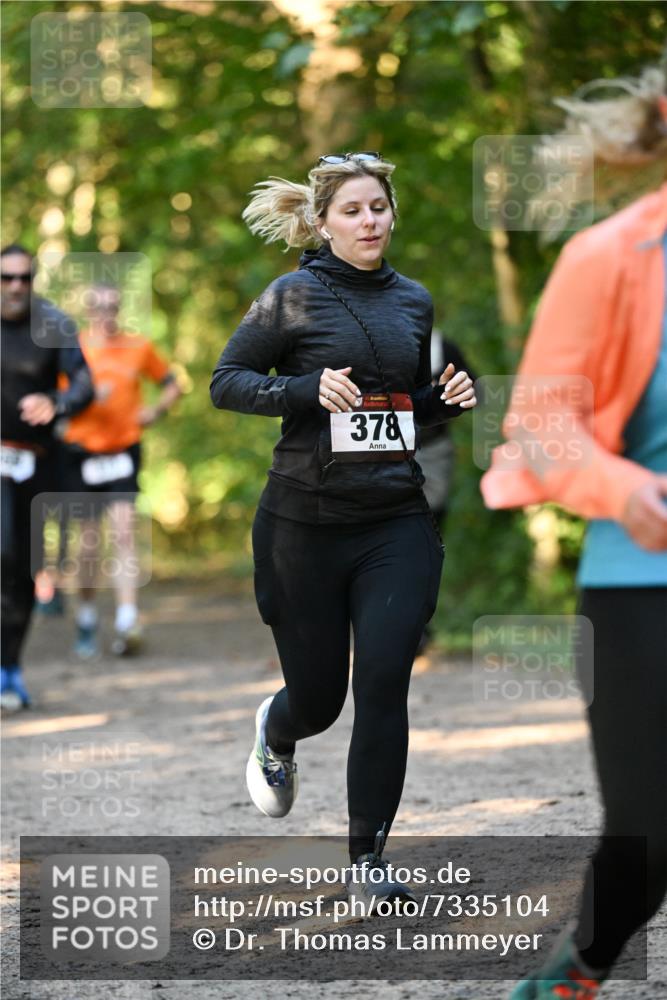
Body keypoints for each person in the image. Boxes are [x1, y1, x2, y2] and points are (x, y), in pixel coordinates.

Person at [210, 152, 477, 910]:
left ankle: (366, 862)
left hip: (393, 516)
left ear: (393, 214)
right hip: (302, 524)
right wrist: (302, 388)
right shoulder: (290, 296)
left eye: (378, 208)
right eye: (352, 210)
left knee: (385, 679)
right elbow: (225, 382)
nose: (369, 221)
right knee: (321, 700)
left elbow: (392, 415)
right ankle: (279, 725)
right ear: (322, 222)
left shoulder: (413, 302)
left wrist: (440, 402)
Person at [480, 66, 667, 998]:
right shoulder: (609, 256)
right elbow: (543, 422)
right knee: (650, 827)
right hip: (643, 575)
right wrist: (624, 489)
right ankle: (574, 974)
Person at [59, 282, 181, 659]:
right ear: (88, 310)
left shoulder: (138, 346)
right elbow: (54, 400)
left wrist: (155, 411)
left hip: (123, 449)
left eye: (112, 307)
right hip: (82, 453)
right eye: (99, 307)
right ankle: (87, 614)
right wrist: (80, 401)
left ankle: (128, 619)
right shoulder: (72, 349)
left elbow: (173, 383)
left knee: (125, 532)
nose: (106, 314)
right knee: (90, 545)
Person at [1, 244, 93, 710]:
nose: (16, 286)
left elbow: (83, 383)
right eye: (7, 278)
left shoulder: (52, 323)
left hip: (32, 465)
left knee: (19, 566)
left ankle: (9, 669)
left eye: (24, 278)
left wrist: (56, 403)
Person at [416, 330, 477, 654]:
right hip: (387, 452)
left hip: (436, 451)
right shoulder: (369, 336)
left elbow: (474, 389)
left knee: (430, 534)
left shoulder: (444, 347)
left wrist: (452, 395)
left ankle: (420, 623)